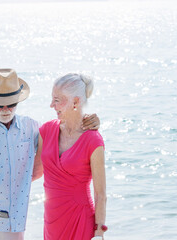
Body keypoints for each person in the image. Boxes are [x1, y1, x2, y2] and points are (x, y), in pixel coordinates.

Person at [0, 69, 100, 240]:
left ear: (18, 100)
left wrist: (90, 119)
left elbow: (64, 132)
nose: (5, 109)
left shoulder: (31, 128)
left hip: (12, 228)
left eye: (11, 104)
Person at [37, 73, 107, 240]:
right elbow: (33, 172)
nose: (51, 105)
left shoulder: (93, 140)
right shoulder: (46, 130)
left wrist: (98, 232)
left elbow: (100, 194)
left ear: (75, 102)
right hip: (52, 222)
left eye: (56, 100)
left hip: (80, 219)